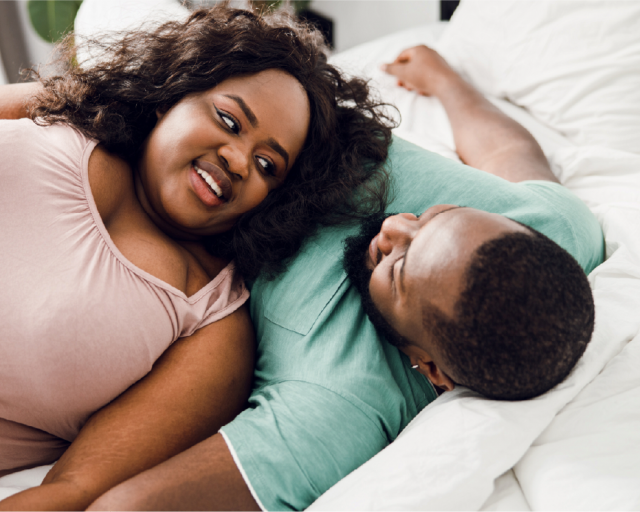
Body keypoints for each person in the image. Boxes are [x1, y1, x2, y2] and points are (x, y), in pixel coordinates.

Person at [16, 35, 600, 511]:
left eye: (398, 267)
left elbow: (124, 507)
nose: (394, 227)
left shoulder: (334, 413)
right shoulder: (558, 229)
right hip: (264, 97)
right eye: (438, 216)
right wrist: (446, 84)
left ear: (432, 368)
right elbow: (512, 160)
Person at [0, 6, 393, 510]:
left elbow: (70, 492)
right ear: (175, 94)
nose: (236, 160)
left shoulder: (212, 327)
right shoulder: (59, 110)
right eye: (228, 120)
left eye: (266, 164)